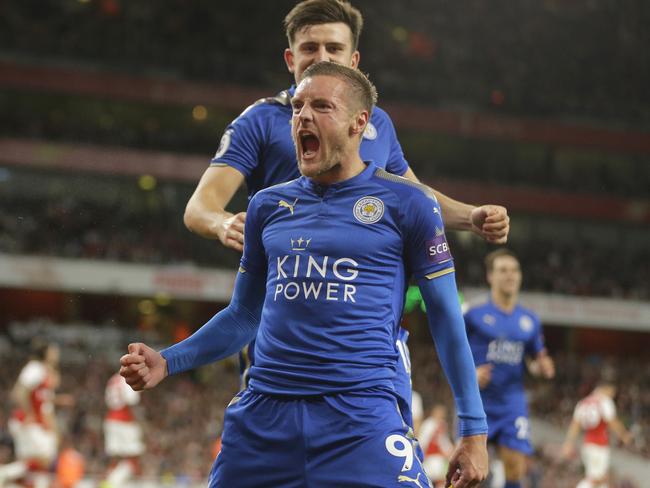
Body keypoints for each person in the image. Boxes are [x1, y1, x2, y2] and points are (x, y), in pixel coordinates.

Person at [122, 62, 488, 488]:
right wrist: (169, 360)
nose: (302, 117)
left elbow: (445, 316)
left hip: (361, 420)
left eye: (321, 106)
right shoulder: (266, 206)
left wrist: (474, 431)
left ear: (360, 123)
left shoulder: (409, 205)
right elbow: (243, 316)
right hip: (263, 420)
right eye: (297, 106)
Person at [184, 0, 509, 441]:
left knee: (380, 447)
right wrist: (223, 223)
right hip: (286, 331)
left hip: (367, 334)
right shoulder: (259, 122)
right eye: (309, 48)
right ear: (290, 58)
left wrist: (469, 217)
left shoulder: (375, 124)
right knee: (277, 444)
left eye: (333, 49)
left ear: (354, 60)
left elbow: (414, 196)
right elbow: (199, 207)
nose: (321, 58)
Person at [464, 248, 555, 488]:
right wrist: (469, 373)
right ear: (490, 276)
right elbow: (451, 351)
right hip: (477, 401)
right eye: (503, 270)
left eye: (514, 270)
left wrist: (541, 367)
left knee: (515, 466)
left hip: (512, 402)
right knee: (472, 472)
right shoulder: (473, 314)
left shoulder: (530, 320)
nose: (510, 275)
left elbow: (535, 360)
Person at [0, 341, 61, 488]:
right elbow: (19, 392)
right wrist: (29, 414)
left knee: (35, 463)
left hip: (35, 422)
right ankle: (5, 473)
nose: (57, 354)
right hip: (27, 422)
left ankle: (11, 478)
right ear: (45, 353)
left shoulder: (44, 371)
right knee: (45, 457)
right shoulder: (35, 368)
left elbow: (42, 400)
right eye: (53, 351)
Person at [561, 381, 633, 488]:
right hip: (598, 446)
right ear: (606, 388)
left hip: (588, 444)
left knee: (601, 481)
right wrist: (624, 435)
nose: (612, 395)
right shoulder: (605, 402)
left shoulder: (583, 402)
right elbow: (612, 421)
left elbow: (575, 425)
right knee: (595, 480)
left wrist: (568, 443)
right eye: (612, 392)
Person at [101, 372, 145, 487]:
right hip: (124, 421)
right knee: (133, 456)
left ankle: (108, 482)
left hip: (110, 419)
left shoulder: (113, 379)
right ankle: (113, 483)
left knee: (115, 457)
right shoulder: (129, 379)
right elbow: (132, 401)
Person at [418, 404, 454, 488]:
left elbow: (444, 442)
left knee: (443, 479)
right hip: (430, 458)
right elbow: (423, 440)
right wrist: (421, 457)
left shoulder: (442, 424)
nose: (441, 415)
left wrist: (450, 451)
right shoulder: (429, 424)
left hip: (440, 459)